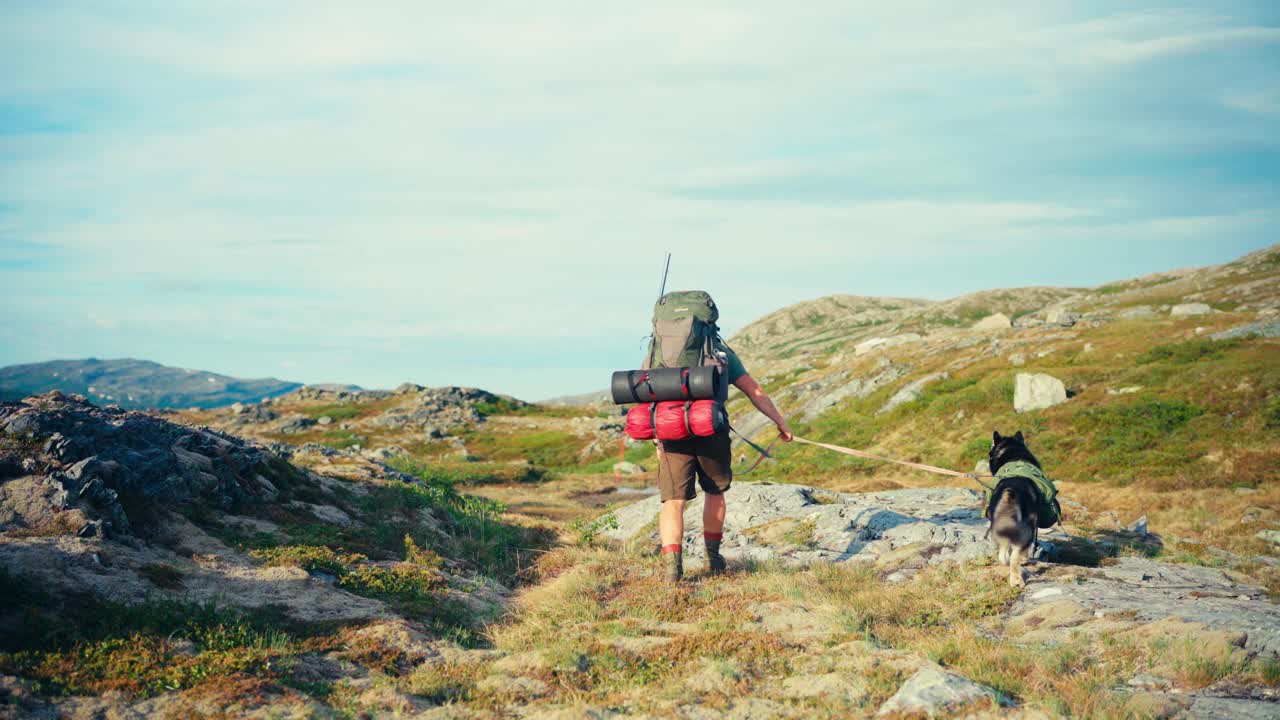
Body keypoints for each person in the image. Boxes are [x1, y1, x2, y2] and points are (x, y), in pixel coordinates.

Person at [656, 346, 792, 582]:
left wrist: (656, 438)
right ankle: (713, 559)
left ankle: (672, 570)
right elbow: (753, 389)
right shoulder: (718, 351)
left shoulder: (658, 349)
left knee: (673, 501)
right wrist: (780, 422)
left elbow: (646, 394)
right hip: (710, 428)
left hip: (670, 431)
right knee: (715, 492)